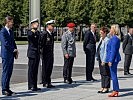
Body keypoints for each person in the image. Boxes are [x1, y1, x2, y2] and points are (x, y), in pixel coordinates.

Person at [0, 16, 18, 96]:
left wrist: (16, 51)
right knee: (6, 72)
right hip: (6, 55)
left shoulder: (10, 31)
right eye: (11, 22)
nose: (12, 23)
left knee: (9, 72)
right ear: (7, 22)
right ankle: (4, 89)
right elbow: (5, 43)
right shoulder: (2, 31)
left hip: (11, 55)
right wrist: (13, 50)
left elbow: (13, 42)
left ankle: (7, 88)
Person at [106, 24, 121, 97]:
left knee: (113, 75)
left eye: (111, 29)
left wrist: (110, 60)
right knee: (113, 75)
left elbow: (113, 51)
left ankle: (115, 90)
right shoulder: (113, 38)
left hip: (113, 59)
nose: (110, 30)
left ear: (114, 30)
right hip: (113, 58)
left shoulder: (115, 39)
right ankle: (115, 90)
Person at [27, 18, 41, 91]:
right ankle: (30, 85)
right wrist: (33, 31)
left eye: (37, 23)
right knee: (31, 70)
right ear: (32, 25)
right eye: (36, 23)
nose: (37, 25)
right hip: (32, 53)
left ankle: (35, 85)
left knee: (35, 70)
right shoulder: (30, 32)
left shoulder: (38, 32)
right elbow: (31, 38)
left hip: (37, 53)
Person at [41, 20, 55, 88]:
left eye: (53, 26)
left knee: (50, 68)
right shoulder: (44, 34)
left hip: (50, 54)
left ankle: (48, 81)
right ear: (48, 26)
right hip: (45, 54)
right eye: (52, 26)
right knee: (45, 68)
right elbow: (41, 45)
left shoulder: (51, 34)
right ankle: (45, 82)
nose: (53, 27)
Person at [96, 27, 110, 93]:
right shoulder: (101, 39)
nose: (100, 34)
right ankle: (102, 86)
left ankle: (106, 87)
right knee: (102, 73)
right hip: (100, 58)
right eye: (100, 32)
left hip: (104, 59)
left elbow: (106, 51)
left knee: (106, 73)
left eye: (101, 33)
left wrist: (104, 60)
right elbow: (99, 48)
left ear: (105, 33)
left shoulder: (107, 40)